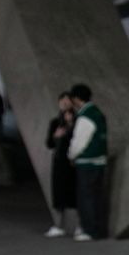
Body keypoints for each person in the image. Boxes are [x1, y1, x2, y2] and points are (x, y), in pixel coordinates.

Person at [67, 83, 108, 240]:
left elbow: (79, 142)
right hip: (99, 161)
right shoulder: (98, 113)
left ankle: (89, 230)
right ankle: (98, 229)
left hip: (87, 162)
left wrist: (71, 155)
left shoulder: (85, 116)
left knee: (86, 197)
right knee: (97, 197)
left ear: (77, 99)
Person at [44, 93, 77, 237]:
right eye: (61, 102)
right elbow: (49, 144)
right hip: (58, 162)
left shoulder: (78, 121)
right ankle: (58, 225)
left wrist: (71, 125)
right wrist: (55, 136)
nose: (64, 104)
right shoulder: (54, 122)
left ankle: (80, 226)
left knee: (75, 193)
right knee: (58, 194)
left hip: (73, 162)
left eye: (67, 102)